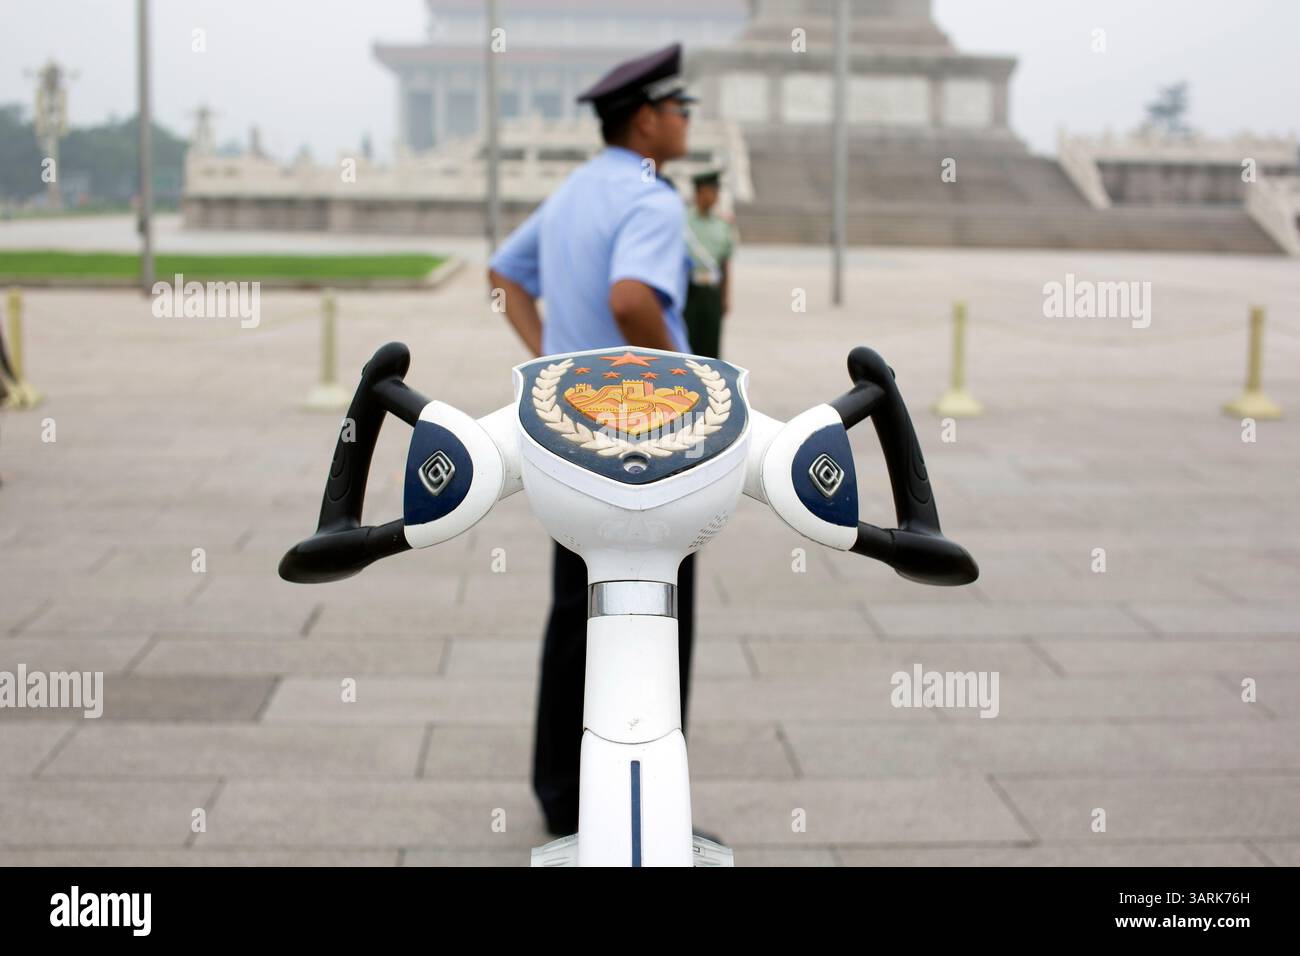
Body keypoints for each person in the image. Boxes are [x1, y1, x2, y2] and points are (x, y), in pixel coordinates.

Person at [487, 43, 700, 838]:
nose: (684, 122)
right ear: (646, 120)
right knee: (655, 617)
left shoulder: (575, 191)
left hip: (568, 442)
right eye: (680, 109)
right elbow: (632, 298)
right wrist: (694, 392)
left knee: (575, 611)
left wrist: (552, 366)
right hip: (646, 445)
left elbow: (503, 273)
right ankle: (645, 800)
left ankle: (562, 796)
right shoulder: (653, 198)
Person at [683, 169, 736, 359]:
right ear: (698, 193)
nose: (714, 196)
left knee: (711, 345)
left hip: (712, 292)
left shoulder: (722, 225)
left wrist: (726, 296)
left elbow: (725, 263)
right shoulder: (683, 222)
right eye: (710, 191)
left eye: (716, 192)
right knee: (687, 344)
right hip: (689, 291)